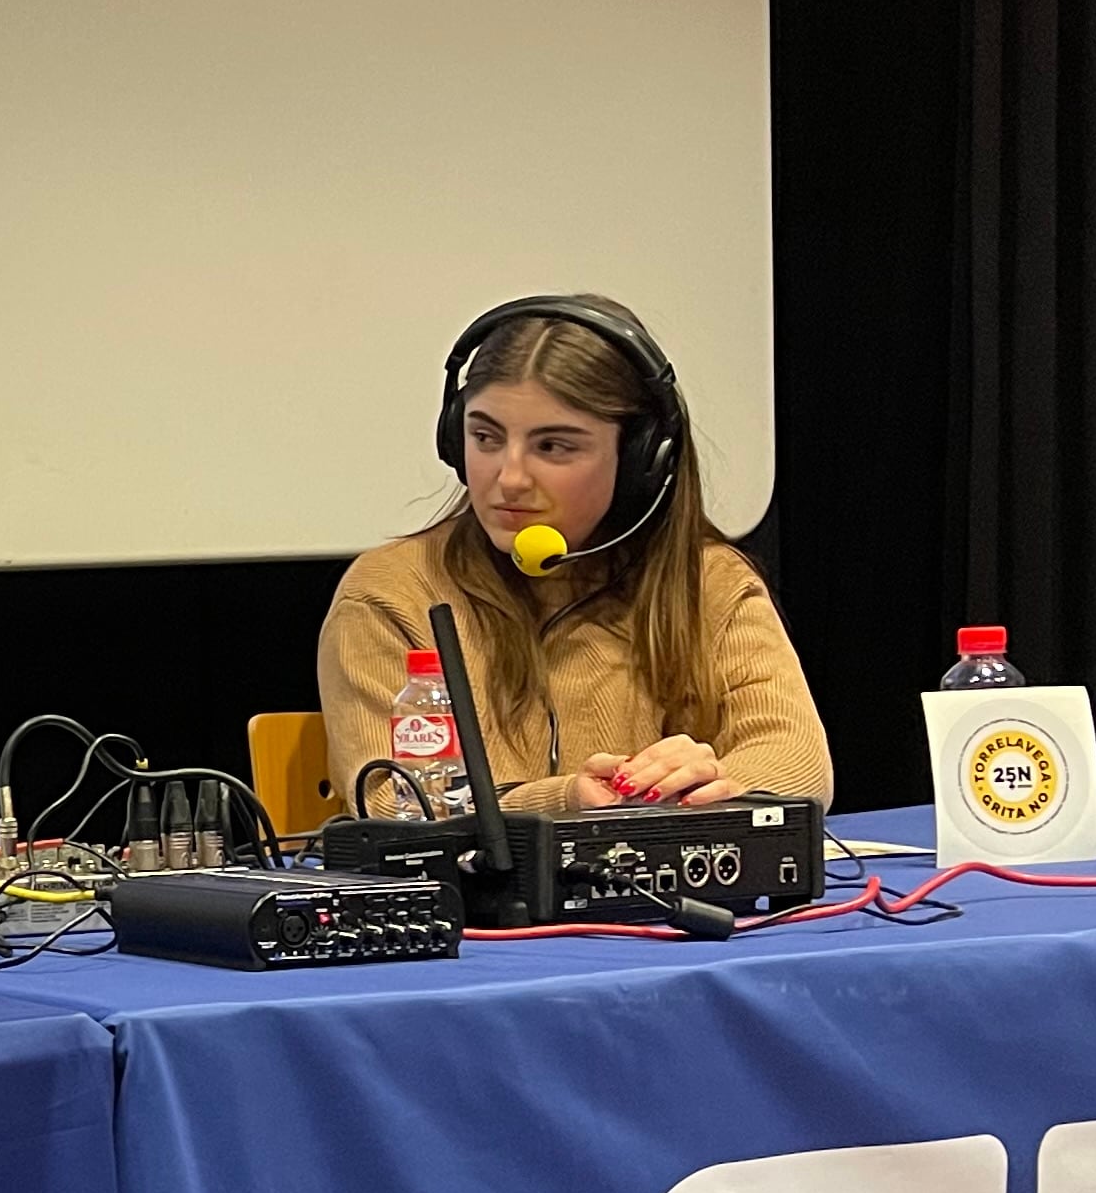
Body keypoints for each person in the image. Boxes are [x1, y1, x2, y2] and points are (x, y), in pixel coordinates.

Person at [320, 294, 830, 818]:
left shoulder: (710, 582)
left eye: (553, 447)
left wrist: (707, 782)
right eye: (485, 436)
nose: (510, 478)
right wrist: (569, 801)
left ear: (640, 461)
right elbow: (392, 805)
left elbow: (800, 767)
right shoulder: (391, 594)